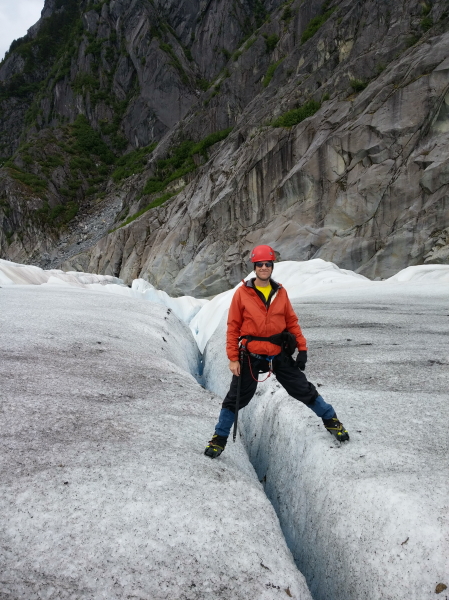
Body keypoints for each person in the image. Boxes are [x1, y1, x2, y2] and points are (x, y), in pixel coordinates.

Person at [204, 244, 349, 458]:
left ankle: (331, 420)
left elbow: (291, 322)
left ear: (272, 266)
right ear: (254, 267)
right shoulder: (242, 294)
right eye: (260, 264)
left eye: (267, 264)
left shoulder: (280, 292)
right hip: (250, 354)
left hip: (277, 352)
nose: (264, 267)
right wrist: (233, 358)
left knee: (303, 389)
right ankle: (219, 438)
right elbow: (233, 326)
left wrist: (302, 349)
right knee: (235, 399)